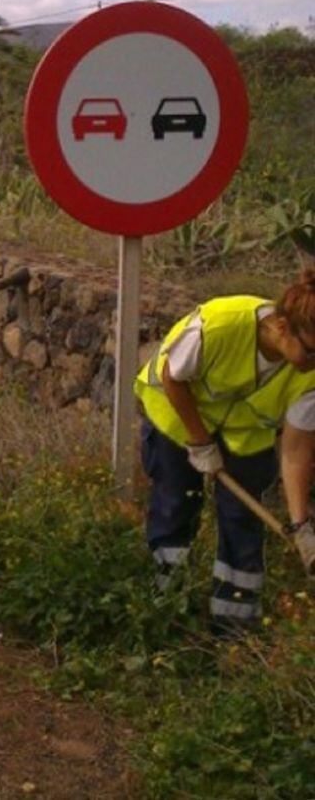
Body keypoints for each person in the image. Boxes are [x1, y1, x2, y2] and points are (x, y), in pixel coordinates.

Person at [134, 269, 315, 633]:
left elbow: (296, 452)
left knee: (243, 520)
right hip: (175, 420)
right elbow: (173, 377)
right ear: (282, 326)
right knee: (176, 504)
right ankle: (167, 611)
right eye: (311, 350)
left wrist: (301, 526)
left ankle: (234, 629)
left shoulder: (310, 375)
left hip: (244, 439)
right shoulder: (222, 324)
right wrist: (200, 441)